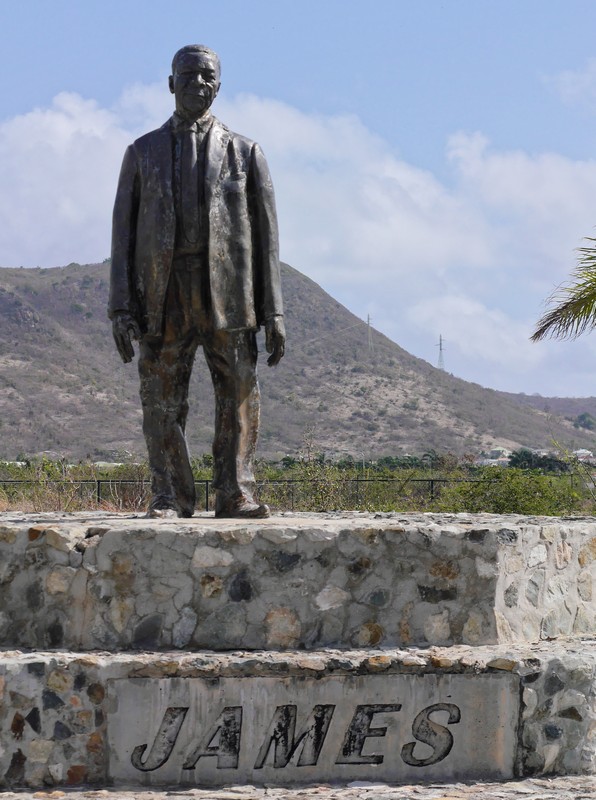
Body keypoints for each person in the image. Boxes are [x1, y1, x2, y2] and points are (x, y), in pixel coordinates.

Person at [108, 44, 285, 519]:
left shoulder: (246, 153)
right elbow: (122, 234)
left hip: (228, 294)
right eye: (188, 76)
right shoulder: (141, 153)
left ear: (219, 86)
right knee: (162, 399)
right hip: (162, 293)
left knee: (239, 394)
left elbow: (267, 239)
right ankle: (169, 495)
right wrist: (121, 307)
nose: (198, 84)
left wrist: (275, 312)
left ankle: (236, 492)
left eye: (207, 77)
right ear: (170, 83)